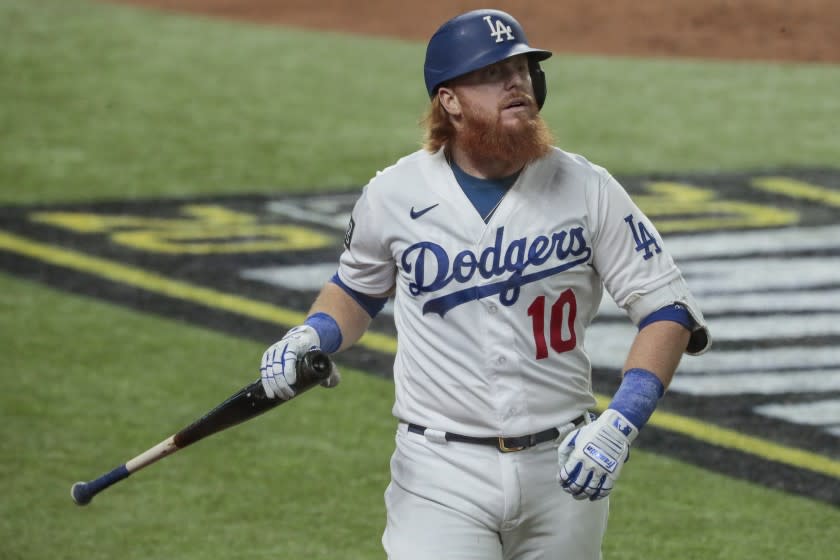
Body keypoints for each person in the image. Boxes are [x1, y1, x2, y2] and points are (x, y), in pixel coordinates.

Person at [259, 8, 710, 560]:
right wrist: (313, 334)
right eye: (493, 73)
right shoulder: (394, 194)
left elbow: (668, 309)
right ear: (449, 100)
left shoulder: (587, 188)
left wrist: (622, 420)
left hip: (565, 470)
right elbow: (357, 290)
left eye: (521, 68)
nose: (516, 82)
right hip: (439, 473)